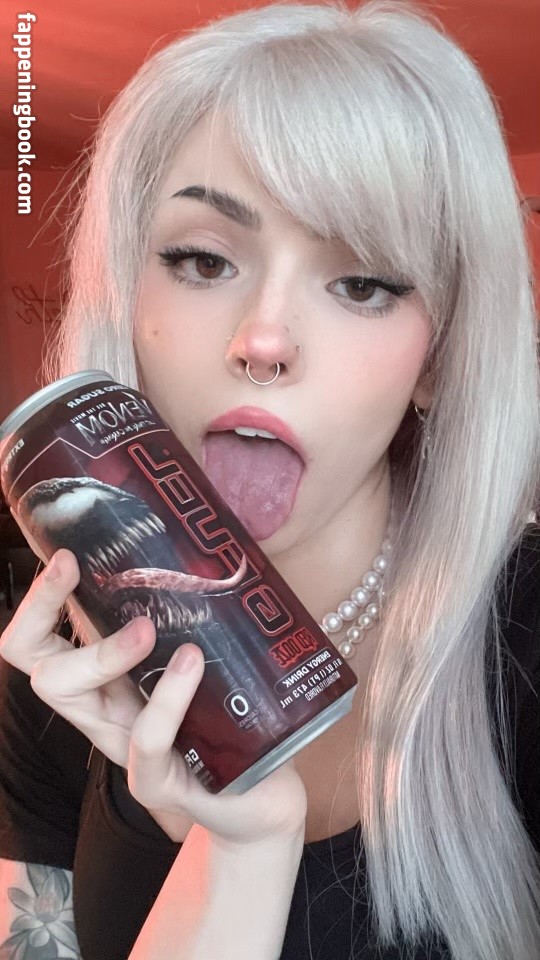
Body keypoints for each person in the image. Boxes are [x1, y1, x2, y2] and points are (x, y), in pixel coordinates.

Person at [0, 0, 539, 957]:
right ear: (129, 295)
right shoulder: (57, 651)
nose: (264, 339)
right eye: (202, 260)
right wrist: (237, 853)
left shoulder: (526, 641)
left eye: (363, 283)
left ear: (438, 357)